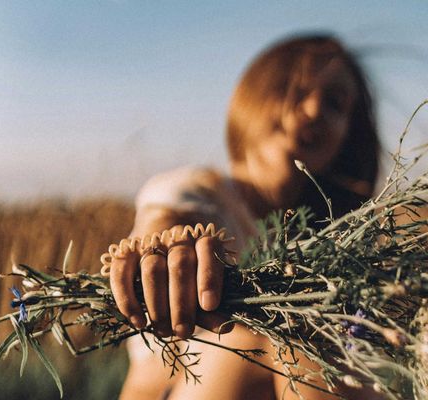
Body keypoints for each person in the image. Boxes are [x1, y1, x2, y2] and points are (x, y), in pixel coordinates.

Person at [109, 33, 381, 399]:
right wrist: (168, 248)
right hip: (171, 389)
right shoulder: (198, 190)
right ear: (255, 94)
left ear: (348, 136)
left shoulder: (326, 238)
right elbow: (166, 220)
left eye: (334, 104)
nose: (314, 110)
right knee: (275, 339)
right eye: (296, 89)